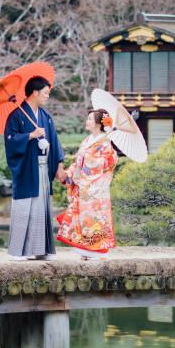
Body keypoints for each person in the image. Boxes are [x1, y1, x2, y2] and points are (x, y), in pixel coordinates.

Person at [4, 76, 66, 261]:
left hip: (44, 166)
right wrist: (31, 135)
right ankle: (18, 252)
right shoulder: (16, 115)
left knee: (42, 208)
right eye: (45, 93)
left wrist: (59, 166)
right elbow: (10, 141)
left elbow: (55, 142)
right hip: (26, 168)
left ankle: (41, 251)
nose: (47, 96)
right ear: (34, 92)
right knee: (24, 207)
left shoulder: (45, 117)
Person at [57, 109, 118, 260]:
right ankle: (85, 249)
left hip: (96, 190)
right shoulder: (87, 141)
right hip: (83, 188)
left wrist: (88, 157)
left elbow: (108, 163)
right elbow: (78, 165)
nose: (87, 121)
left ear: (98, 123)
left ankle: (96, 252)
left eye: (90, 119)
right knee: (81, 219)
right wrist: (67, 174)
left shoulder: (105, 143)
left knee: (94, 220)